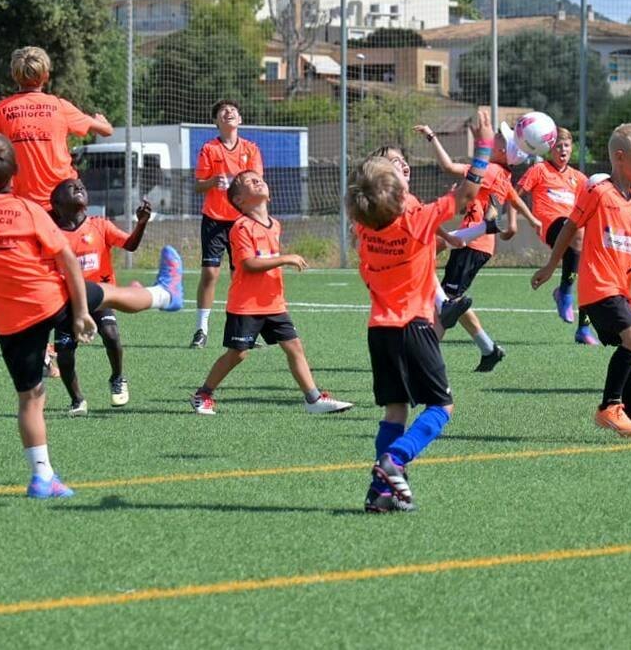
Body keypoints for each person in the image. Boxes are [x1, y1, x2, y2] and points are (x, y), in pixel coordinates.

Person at [0, 134, 181, 497]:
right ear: (13, 174)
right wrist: (77, 312)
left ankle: (42, 476)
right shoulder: (27, 210)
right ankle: (165, 294)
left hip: (10, 321)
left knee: (31, 398)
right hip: (50, 297)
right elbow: (67, 259)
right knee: (111, 294)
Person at [348, 133, 486, 513]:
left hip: (379, 329)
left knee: (395, 411)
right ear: (391, 191)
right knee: (442, 408)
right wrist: (485, 145)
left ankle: (380, 492)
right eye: (393, 168)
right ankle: (395, 460)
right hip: (414, 326)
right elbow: (467, 197)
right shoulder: (416, 219)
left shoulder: (364, 226)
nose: (401, 168)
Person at [532, 123, 631, 438]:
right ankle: (608, 408)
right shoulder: (598, 193)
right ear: (621, 158)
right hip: (598, 287)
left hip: (621, 290)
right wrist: (550, 266)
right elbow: (571, 227)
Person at [190, 170, 352, 416]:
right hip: (246, 305)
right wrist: (284, 259)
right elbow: (248, 264)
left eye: (259, 179)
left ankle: (313, 399)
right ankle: (203, 394)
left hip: (274, 303)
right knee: (238, 354)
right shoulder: (241, 227)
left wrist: (280, 262)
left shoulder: (275, 225)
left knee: (294, 346)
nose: (258, 181)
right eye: (249, 182)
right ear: (240, 201)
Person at [49, 177, 177, 412]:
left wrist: (141, 223)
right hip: (68, 303)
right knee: (65, 356)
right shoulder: (52, 236)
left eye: (81, 186)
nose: (79, 187)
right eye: (70, 187)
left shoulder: (100, 225)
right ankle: (77, 400)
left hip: (102, 297)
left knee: (111, 334)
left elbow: (129, 244)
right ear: (57, 204)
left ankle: (117, 377)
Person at [435, 120, 538, 371]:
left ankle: (423, 359)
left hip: (473, 242)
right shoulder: (504, 174)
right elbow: (515, 201)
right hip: (477, 243)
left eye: (500, 139)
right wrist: (533, 220)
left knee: (446, 304)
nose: (496, 139)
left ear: (503, 152)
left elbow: (448, 166)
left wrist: (432, 138)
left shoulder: (490, 170)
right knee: (452, 301)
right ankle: (488, 349)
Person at [0, 46, 114, 211]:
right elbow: (106, 131)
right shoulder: (59, 106)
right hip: (63, 200)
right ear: (46, 76)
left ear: (14, 75)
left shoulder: (1, 110)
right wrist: (102, 122)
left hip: (23, 204)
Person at [190, 100, 262, 350]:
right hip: (214, 220)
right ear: (216, 121)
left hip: (243, 221)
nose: (228, 112)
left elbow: (257, 181)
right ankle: (201, 329)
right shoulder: (209, 149)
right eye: (223, 111)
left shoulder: (251, 149)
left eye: (233, 110)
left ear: (239, 119)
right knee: (210, 273)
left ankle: (245, 331)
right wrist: (212, 182)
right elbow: (198, 184)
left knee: (242, 276)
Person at [518, 126, 591, 337]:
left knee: (589, 267)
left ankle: (584, 328)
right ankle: (565, 294)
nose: (563, 150)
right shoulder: (539, 170)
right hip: (551, 226)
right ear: (549, 149)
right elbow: (515, 195)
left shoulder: (579, 178)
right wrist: (515, 221)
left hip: (574, 230)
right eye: (558, 146)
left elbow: (592, 203)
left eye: (566, 145)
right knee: (576, 230)